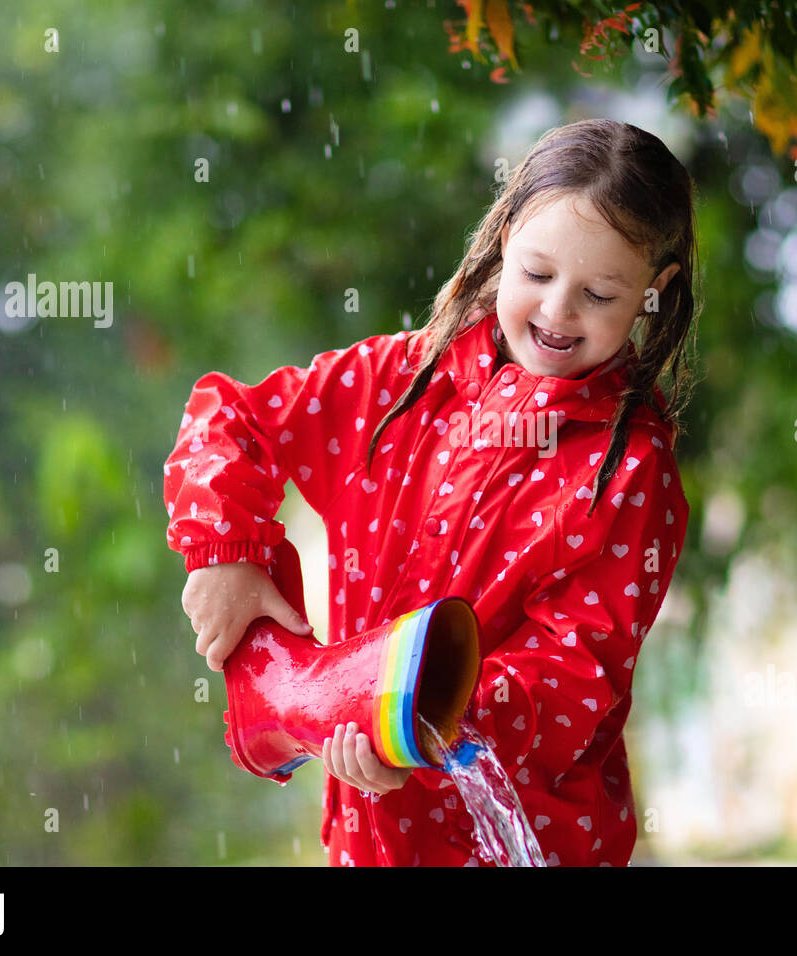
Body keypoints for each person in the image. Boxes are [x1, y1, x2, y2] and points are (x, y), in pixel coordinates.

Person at [163, 118, 699, 866]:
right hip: (370, 841)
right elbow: (232, 419)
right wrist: (224, 554)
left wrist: (410, 715)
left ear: (654, 290)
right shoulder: (397, 385)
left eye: (600, 294)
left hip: (522, 840)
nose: (557, 312)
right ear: (506, 237)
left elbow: (574, 669)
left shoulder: (630, 470)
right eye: (539, 275)